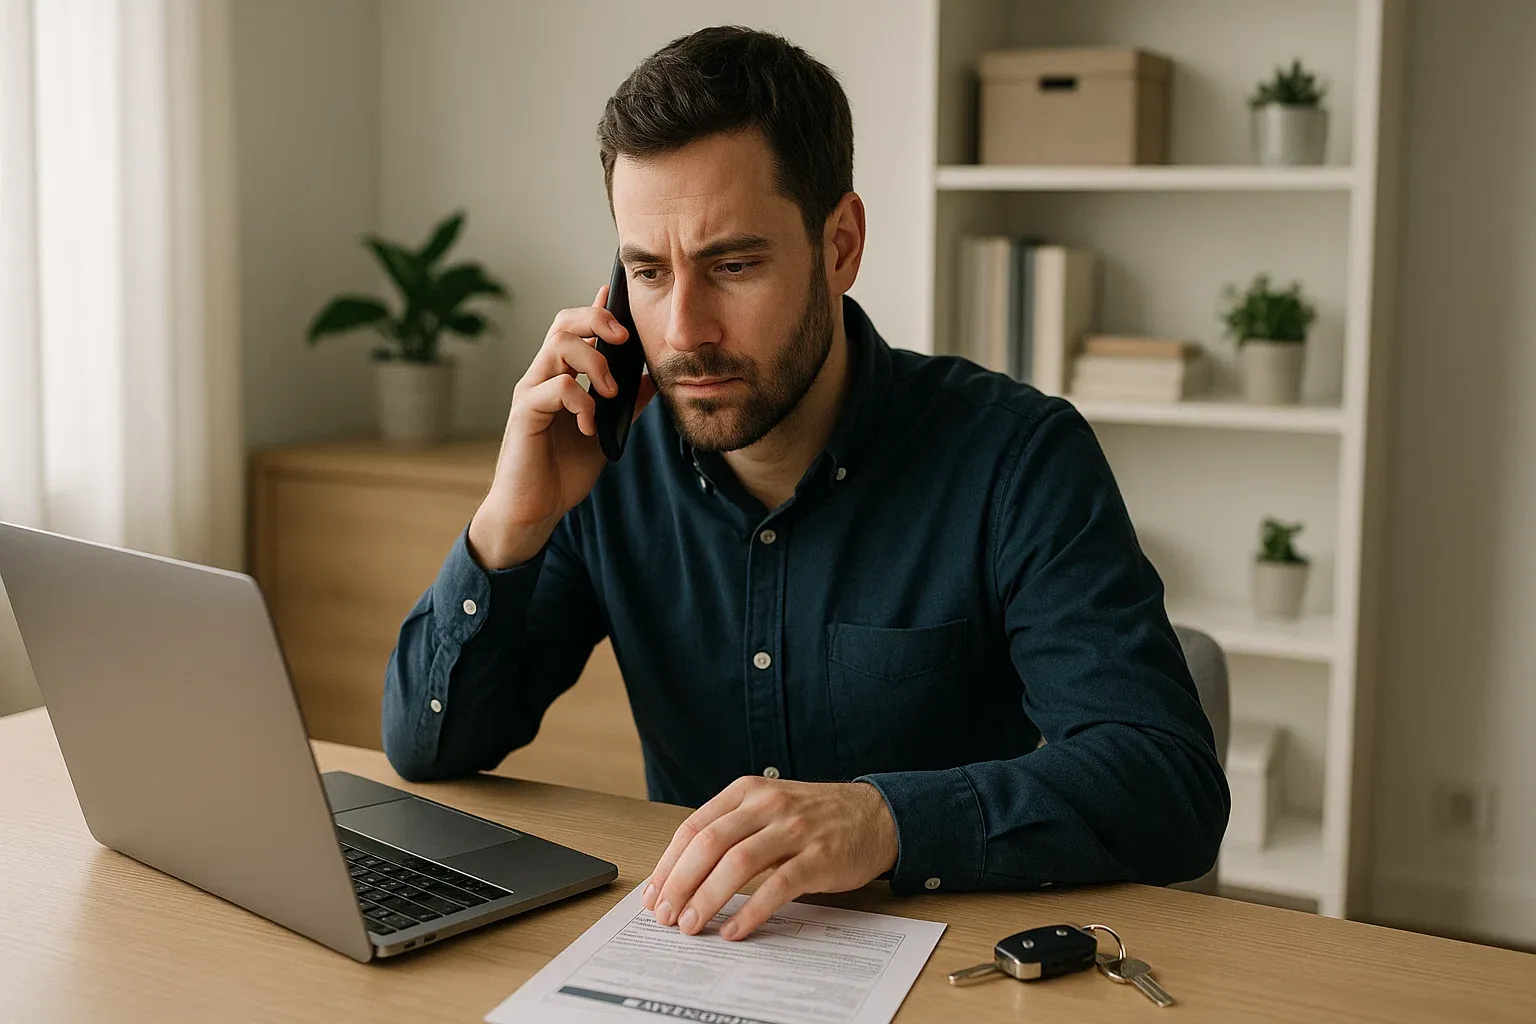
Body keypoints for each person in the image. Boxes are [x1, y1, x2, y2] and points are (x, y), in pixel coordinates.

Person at [382, 25, 1228, 943]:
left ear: (841, 245)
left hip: (958, 967)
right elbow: (430, 751)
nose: (685, 330)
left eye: (733, 265)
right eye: (648, 272)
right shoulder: (607, 466)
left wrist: (886, 820)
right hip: (700, 958)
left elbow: (1168, 786)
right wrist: (510, 523)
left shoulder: (1017, 458)